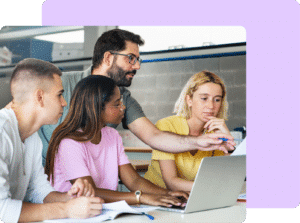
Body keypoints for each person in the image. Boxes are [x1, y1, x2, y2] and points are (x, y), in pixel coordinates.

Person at [38, 28, 235, 166]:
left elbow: (154, 136)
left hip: (89, 187)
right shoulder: (61, 84)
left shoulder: (123, 98)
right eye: (130, 58)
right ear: (108, 58)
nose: (137, 66)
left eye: (138, 60)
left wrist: (199, 141)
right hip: (43, 182)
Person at [45, 75, 189, 207]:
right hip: (69, 215)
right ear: (96, 108)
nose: (123, 107)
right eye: (117, 104)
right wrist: (140, 197)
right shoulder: (69, 143)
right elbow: (89, 192)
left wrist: (166, 193)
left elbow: (134, 180)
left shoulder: (112, 135)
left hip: (101, 212)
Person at [0, 59, 103, 223]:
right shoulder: (2, 132)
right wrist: (67, 210)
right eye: (59, 94)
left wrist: (71, 198)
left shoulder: (32, 136)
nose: (64, 103)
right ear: (39, 97)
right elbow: (2, 210)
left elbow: (38, 191)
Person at [144, 71, 232, 192]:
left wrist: (228, 144)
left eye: (217, 100)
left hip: (191, 198)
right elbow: (171, 182)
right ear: (189, 100)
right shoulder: (166, 125)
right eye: (204, 98)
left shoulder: (214, 133)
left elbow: (225, 178)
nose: (211, 106)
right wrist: (210, 188)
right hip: (157, 198)